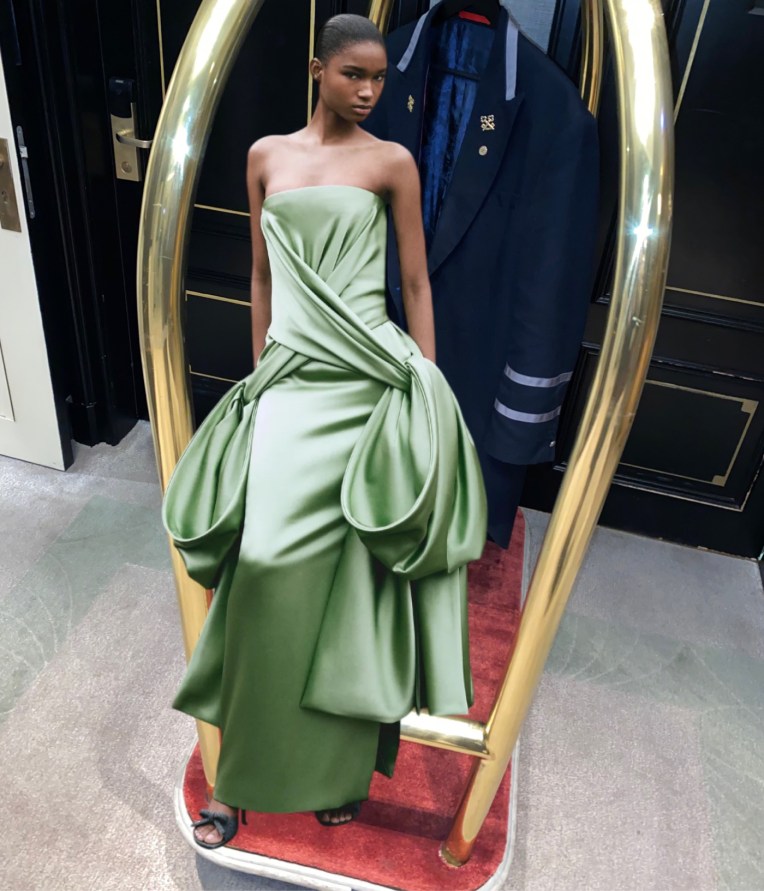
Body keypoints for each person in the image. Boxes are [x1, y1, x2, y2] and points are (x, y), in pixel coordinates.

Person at [162, 14, 487, 850]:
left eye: (379, 78)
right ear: (318, 70)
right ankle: (238, 777)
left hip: (370, 379)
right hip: (293, 381)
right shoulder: (265, 156)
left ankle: (339, 772)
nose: (369, 91)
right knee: (263, 568)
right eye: (353, 75)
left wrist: (425, 392)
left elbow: (415, 282)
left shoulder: (392, 162)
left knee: (354, 590)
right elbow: (261, 275)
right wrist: (262, 375)